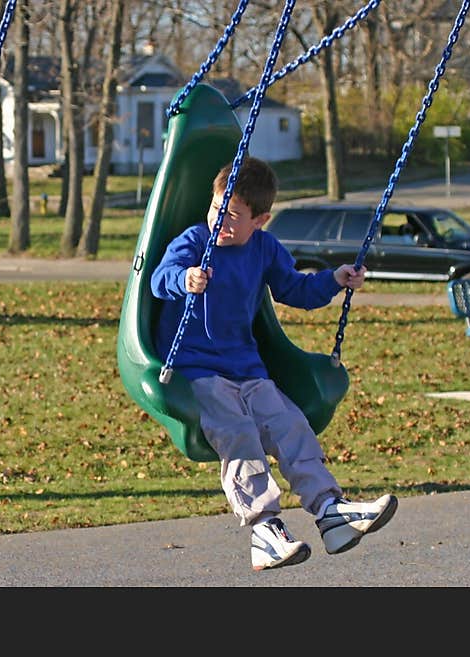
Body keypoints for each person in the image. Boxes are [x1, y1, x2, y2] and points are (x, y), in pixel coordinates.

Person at [150, 157, 397, 571]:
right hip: (196, 370)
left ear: (260, 220)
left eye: (232, 216)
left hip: (247, 367)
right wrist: (185, 278)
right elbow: (161, 277)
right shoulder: (195, 240)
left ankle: (330, 511)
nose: (219, 221)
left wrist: (334, 279)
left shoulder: (264, 248)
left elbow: (295, 289)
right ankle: (264, 528)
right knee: (238, 432)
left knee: (290, 424)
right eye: (216, 208)